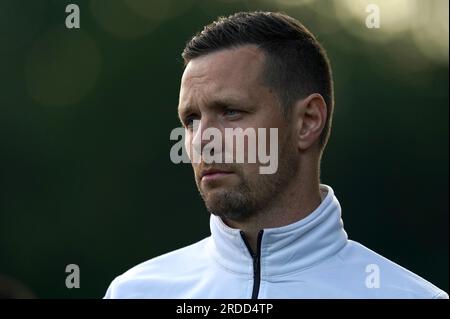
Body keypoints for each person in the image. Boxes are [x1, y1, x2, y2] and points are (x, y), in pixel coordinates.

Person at [104, 11, 448, 299]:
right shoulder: (136, 292)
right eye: (191, 119)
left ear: (307, 122)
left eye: (230, 111)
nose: (201, 141)